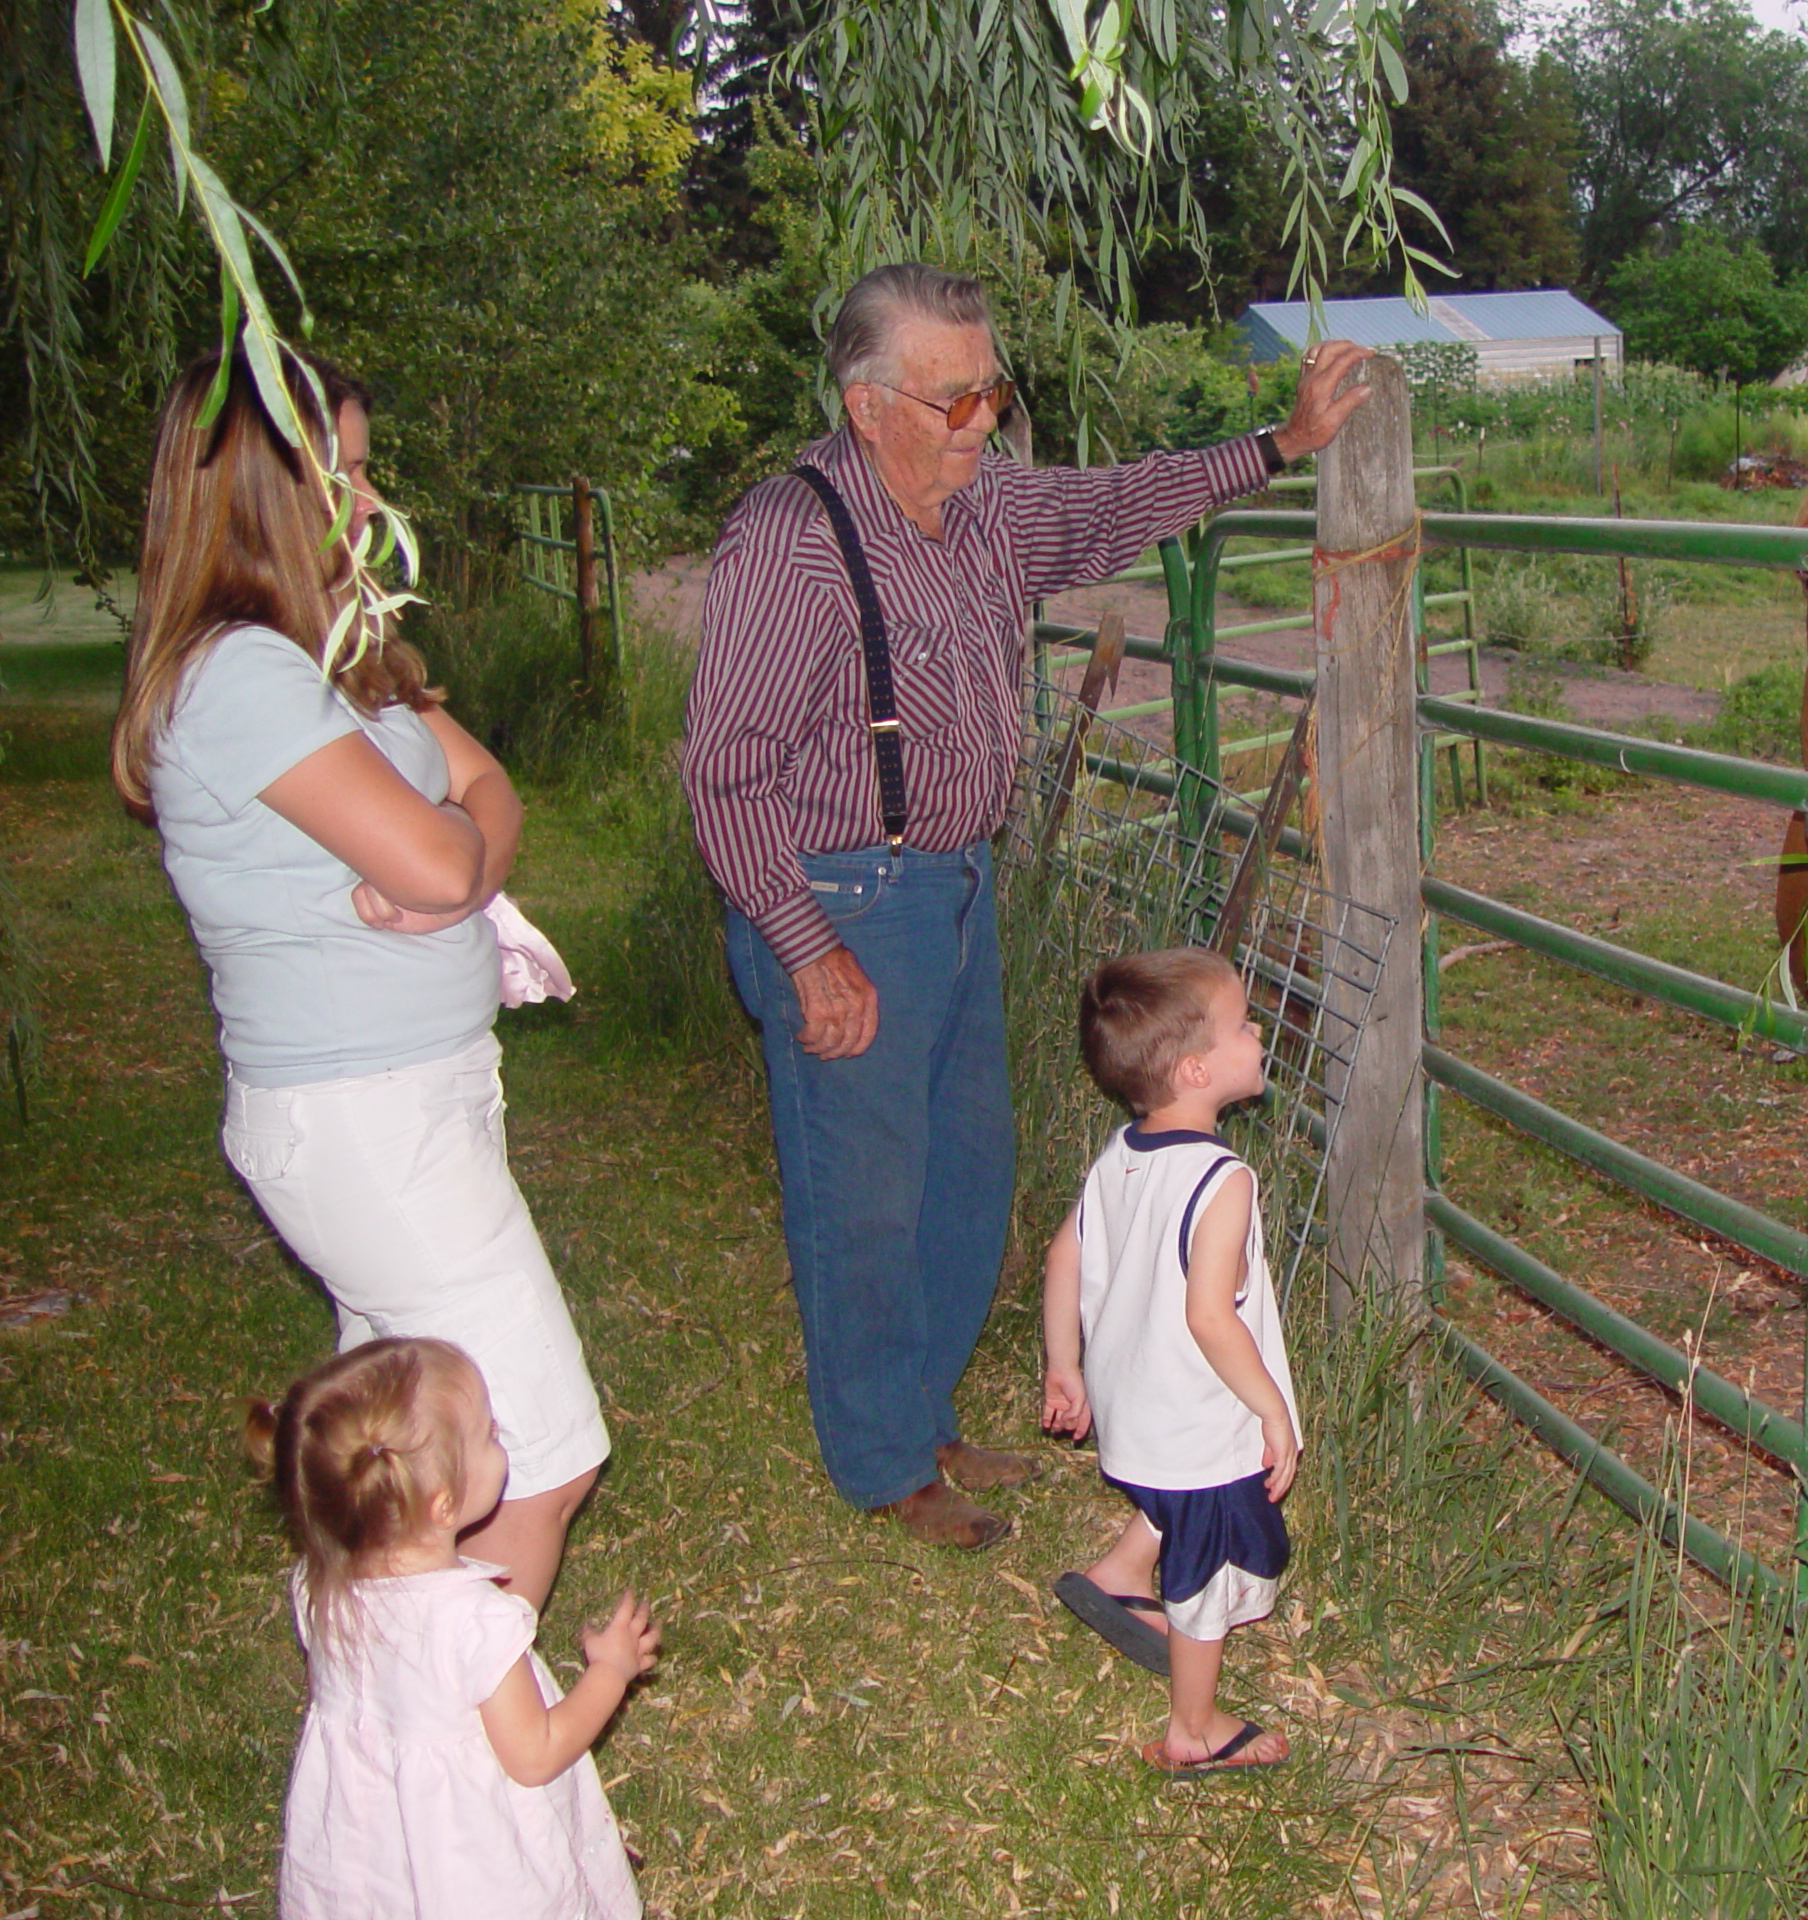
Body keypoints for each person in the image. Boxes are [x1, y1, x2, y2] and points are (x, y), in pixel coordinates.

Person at [682, 261, 1368, 1548]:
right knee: (864, 1192)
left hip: (952, 884)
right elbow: (725, 770)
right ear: (866, 404)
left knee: (964, 1170)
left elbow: (1117, 505)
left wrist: (1277, 443)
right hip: (836, 894)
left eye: (994, 390)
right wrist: (805, 948)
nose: (985, 421)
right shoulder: (789, 539)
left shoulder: (986, 505)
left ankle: (923, 1411)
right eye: (957, 401)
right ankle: (882, 1459)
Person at [111, 347, 608, 1612]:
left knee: (404, 1482)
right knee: (532, 1457)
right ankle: (471, 1780)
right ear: (260, 494)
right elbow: (447, 853)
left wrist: (458, 853)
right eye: (347, 474)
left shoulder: (338, 648)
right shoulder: (241, 677)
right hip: (365, 1123)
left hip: (417, 1102)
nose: (374, 503)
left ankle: (385, 1765)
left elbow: (488, 794)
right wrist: (452, 854)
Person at [247, 1338, 656, 1917]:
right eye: (489, 1434)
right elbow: (535, 1753)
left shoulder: (318, 1592)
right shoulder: (475, 1622)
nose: (501, 1439)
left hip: (369, 1852)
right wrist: (610, 1672)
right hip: (470, 1862)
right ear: (443, 1505)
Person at [1041, 947, 1298, 1774]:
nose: (1258, 1031)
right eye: (1242, 1024)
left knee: (1168, 1498)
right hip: (1194, 1420)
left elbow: (1062, 1258)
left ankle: (1120, 1570)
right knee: (1208, 1565)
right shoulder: (1224, 1180)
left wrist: (1064, 1366)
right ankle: (1195, 1728)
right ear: (1197, 1068)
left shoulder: (1122, 1153)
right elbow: (1210, 1317)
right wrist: (1269, 1408)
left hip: (1130, 1403)